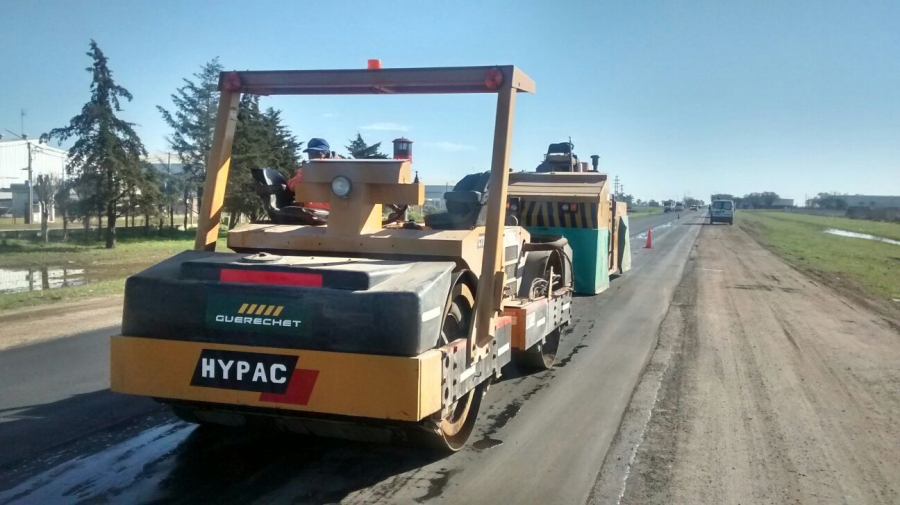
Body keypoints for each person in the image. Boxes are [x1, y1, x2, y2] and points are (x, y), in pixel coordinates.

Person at [287, 138, 337, 210]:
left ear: (327, 153)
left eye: (318, 153)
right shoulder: (306, 169)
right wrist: (306, 174)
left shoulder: (341, 168)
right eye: (311, 154)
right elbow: (291, 186)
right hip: (311, 213)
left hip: (336, 212)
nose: (314, 157)